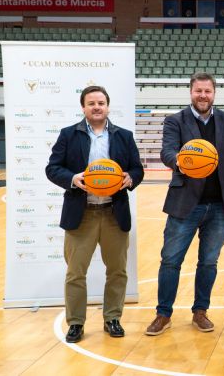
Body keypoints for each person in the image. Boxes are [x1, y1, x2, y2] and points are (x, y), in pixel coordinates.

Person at [145, 72, 224, 336]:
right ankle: (163, 314)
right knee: (170, 261)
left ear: (214, 94)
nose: (203, 96)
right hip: (185, 203)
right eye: (198, 91)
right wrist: (181, 160)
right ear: (190, 92)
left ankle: (200, 311)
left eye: (207, 91)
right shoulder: (175, 121)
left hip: (218, 206)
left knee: (209, 262)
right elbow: (166, 151)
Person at [46, 85, 144, 343]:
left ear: (108, 106)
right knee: (75, 273)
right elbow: (52, 168)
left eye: (101, 102)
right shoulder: (69, 135)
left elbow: (138, 169)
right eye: (91, 103)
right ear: (83, 107)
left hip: (114, 213)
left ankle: (112, 318)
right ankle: (76, 322)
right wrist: (72, 178)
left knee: (117, 271)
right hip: (82, 214)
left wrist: (130, 178)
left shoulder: (124, 136)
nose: (97, 107)